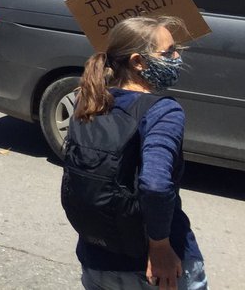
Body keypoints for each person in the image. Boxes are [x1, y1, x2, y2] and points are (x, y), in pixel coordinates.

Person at [68, 16, 204, 290]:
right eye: (169, 52)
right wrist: (160, 247)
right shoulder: (162, 110)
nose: (177, 58)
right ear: (138, 62)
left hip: (97, 259)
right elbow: (155, 184)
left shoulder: (90, 99)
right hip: (155, 267)